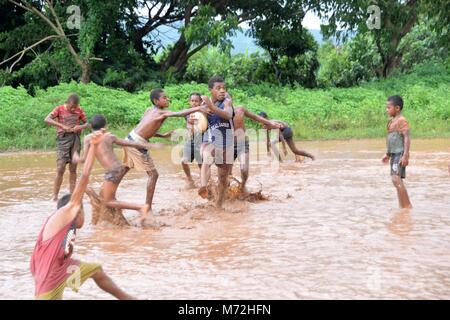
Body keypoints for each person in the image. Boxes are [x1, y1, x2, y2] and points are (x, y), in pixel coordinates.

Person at [30, 130, 134, 300]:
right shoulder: (66, 213)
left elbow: (34, 266)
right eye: (83, 209)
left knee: (96, 271)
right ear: (77, 210)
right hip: (48, 288)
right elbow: (84, 176)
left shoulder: (62, 226)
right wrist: (93, 146)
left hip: (59, 270)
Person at [122, 88, 205, 224]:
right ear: (156, 101)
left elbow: (144, 128)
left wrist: (162, 135)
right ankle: (147, 209)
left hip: (129, 138)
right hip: (138, 143)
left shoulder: (149, 111)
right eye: (164, 98)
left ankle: (108, 195)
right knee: (153, 175)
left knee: (125, 168)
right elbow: (179, 114)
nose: (168, 99)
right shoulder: (162, 112)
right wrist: (201, 107)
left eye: (167, 97)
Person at [74, 115, 151, 218]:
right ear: (105, 125)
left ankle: (140, 207)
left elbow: (83, 160)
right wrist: (149, 145)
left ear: (90, 126)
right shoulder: (110, 136)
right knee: (105, 195)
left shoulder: (88, 138)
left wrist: (75, 157)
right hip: (120, 168)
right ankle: (118, 219)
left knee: (108, 201)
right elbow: (129, 143)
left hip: (112, 172)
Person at [44, 93, 90, 201]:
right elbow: (47, 119)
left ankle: (72, 196)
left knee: (73, 169)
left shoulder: (79, 110)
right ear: (67, 103)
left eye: (76, 107)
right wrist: (62, 126)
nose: (74, 109)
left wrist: (81, 126)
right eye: (72, 107)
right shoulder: (59, 109)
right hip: (63, 140)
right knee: (60, 169)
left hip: (75, 140)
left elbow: (89, 123)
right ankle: (55, 196)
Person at [198, 76, 234, 208]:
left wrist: (211, 106)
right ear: (210, 90)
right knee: (206, 156)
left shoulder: (227, 101)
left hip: (226, 143)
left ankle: (219, 204)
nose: (222, 91)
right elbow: (200, 124)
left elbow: (228, 115)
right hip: (210, 140)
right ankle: (203, 186)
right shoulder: (204, 105)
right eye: (218, 88)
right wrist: (194, 119)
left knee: (223, 179)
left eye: (224, 88)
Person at [231, 106, 281, 192]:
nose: (226, 101)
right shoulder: (219, 112)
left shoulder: (240, 109)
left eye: (228, 98)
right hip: (226, 145)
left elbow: (255, 117)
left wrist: (270, 123)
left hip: (242, 143)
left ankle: (242, 186)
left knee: (244, 169)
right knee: (226, 173)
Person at [381, 95, 412, 209]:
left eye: (388, 107)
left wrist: (405, 155)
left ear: (397, 108)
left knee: (396, 179)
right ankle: (402, 207)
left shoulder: (401, 120)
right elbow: (391, 140)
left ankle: (407, 206)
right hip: (394, 154)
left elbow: (406, 137)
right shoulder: (390, 122)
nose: (387, 110)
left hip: (399, 154)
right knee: (396, 181)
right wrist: (388, 154)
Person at [181, 93, 205, 188]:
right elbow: (188, 118)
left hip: (201, 141)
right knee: (183, 161)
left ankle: (204, 183)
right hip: (190, 140)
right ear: (189, 102)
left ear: (200, 102)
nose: (194, 103)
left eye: (196, 101)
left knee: (201, 164)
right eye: (192, 101)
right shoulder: (187, 112)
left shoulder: (203, 113)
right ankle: (190, 179)